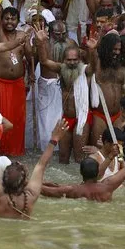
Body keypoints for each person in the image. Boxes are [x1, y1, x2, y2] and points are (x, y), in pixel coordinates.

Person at [0, 120, 68, 219]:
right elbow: (41, 165)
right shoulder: (30, 197)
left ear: (3, 179)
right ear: (24, 182)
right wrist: (54, 139)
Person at [34, 24, 94, 162]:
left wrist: (92, 50)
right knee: (62, 157)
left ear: (80, 60)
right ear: (63, 60)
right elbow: (44, 61)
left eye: (75, 60)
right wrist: (41, 42)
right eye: (69, 60)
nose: (72, 63)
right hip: (65, 118)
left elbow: (93, 67)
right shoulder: (61, 69)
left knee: (79, 158)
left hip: (82, 118)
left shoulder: (85, 70)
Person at [0, 0, 33, 156]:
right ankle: (0, 151)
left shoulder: (22, 35)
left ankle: (16, 152)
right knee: (0, 118)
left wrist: (31, 75)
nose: (9, 22)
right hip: (1, 84)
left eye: (13, 19)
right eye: (6, 18)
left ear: (18, 20)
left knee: (18, 119)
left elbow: (29, 56)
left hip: (18, 84)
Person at [40, 135, 125, 201]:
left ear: (81, 172)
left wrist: (34, 183)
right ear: (98, 172)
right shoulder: (107, 186)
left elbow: (48, 191)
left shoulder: (73, 189)